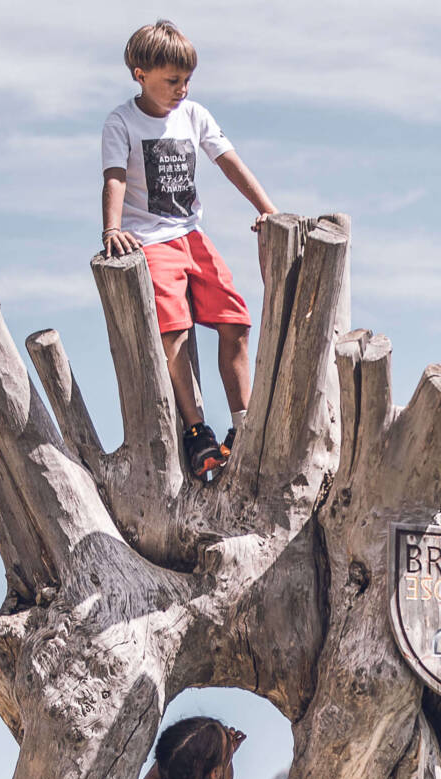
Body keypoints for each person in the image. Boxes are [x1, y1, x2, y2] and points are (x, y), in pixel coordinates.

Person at [99, 19, 282, 481]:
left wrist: (269, 210)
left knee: (236, 321)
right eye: (171, 81)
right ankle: (197, 428)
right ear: (139, 74)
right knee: (174, 333)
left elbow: (229, 163)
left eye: (186, 81)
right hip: (151, 240)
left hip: (192, 236)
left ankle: (244, 427)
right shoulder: (121, 122)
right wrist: (112, 229)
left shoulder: (194, 115)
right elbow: (115, 176)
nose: (181, 89)